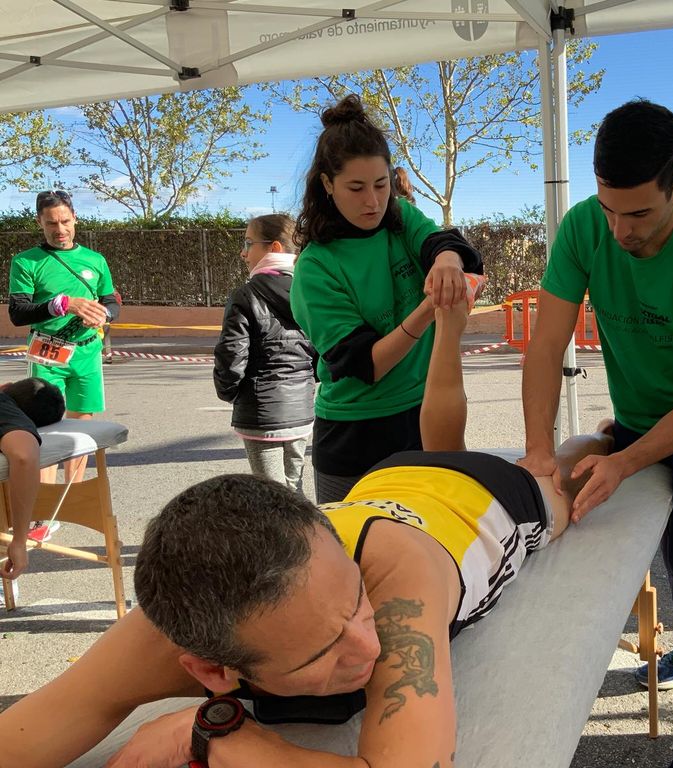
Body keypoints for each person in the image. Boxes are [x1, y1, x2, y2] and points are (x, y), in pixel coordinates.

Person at [0, 295, 614, 768]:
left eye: (358, 603)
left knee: (562, 481)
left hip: (474, 496)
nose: (373, 648)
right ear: (210, 672)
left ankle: (604, 435)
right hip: (387, 485)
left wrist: (217, 734)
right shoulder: (166, 629)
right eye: (327, 652)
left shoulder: (396, 577)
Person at [519, 99, 673, 768]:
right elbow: (545, 346)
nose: (620, 231)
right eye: (609, 209)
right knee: (598, 555)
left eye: (640, 214)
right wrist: (541, 451)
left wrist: (625, 462)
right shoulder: (582, 229)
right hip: (633, 423)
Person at [290, 94, 484, 504]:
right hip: (354, 434)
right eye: (355, 188)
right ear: (327, 185)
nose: (373, 202)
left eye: (380, 185)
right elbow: (368, 364)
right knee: (354, 557)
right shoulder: (316, 267)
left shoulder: (400, 220)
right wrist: (429, 307)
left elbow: (445, 242)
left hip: (422, 414)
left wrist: (447, 260)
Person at [8, 190, 120, 532]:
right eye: (51, 223)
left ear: (75, 219)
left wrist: (104, 315)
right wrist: (61, 304)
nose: (60, 230)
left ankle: (68, 498)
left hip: (86, 351)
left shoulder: (95, 259)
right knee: (43, 428)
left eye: (65, 222)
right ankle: (43, 504)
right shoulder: (26, 261)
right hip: (47, 352)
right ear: (40, 223)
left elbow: (111, 301)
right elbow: (17, 312)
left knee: (81, 425)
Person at [214, 214, 315, 493]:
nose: (243, 252)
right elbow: (322, 347)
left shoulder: (246, 295)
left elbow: (232, 355)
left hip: (261, 411)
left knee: (272, 494)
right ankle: (308, 536)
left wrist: (229, 391)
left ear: (274, 248)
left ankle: (285, 538)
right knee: (294, 488)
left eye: (248, 243)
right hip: (302, 408)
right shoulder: (310, 292)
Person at [0, 378, 65, 579]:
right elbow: (24, 455)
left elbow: (23, 455)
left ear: (6, 386)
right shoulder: (7, 409)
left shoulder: (5, 406)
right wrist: (19, 540)